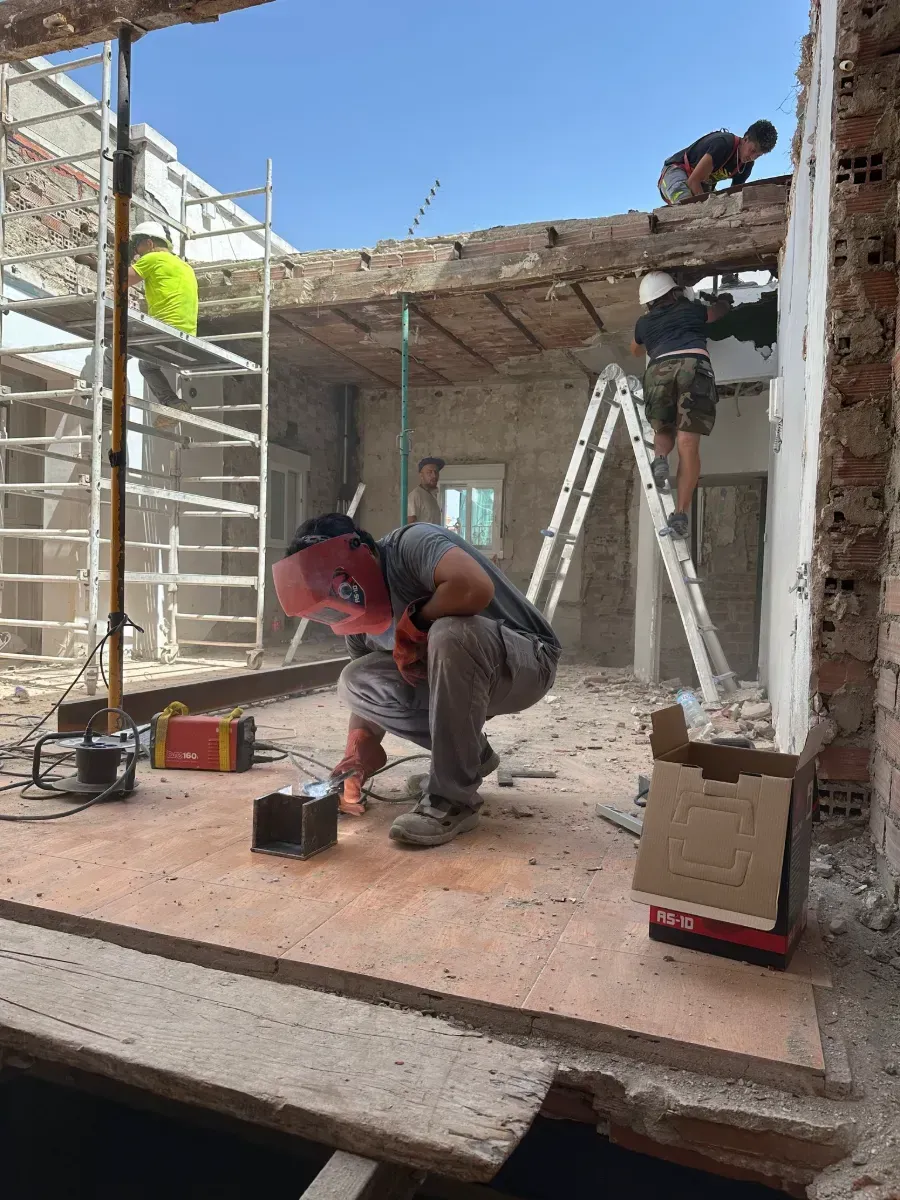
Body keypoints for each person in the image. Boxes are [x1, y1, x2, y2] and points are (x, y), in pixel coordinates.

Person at [272, 512, 561, 845]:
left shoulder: (411, 545)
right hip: (461, 678)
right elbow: (370, 702)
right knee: (355, 679)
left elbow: (473, 588)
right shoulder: (357, 621)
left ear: (361, 556)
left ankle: (452, 801)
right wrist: (356, 756)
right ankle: (471, 756)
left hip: (527, 661)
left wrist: (417, 621)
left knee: (451, 632)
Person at [631, 271, 733, 538]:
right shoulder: (691, 309)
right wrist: (724, 301)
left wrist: (653, 338)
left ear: (648, 302)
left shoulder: (643, 323)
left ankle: (660, 458)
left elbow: (635, 349)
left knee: (663, 430)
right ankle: (679, 514)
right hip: (693, 364)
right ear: (673, 292)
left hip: (658, 369)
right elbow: (716, 314)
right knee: (688, 444)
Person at [82, 219, 197, 421]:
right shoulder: (185, 266)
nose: (137, 252)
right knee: (147, 366)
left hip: (164, 329)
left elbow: (121, 280)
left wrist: (118, 260)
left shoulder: (153, 258)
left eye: (139, 246)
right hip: (186, 336)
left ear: (150, 243)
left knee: (111, 355)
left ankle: (108, 409)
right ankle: (173, 403)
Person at [658, 121, 778, 206]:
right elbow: (693, 181)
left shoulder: (746, 166)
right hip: (676, 171)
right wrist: (707, 208)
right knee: (687, 206)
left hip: (701, 183)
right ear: (746, 139)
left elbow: (734, 195)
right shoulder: (723, 144)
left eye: (758, 155)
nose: (752, 157)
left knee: (718, 208)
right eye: (752, 150)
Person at [407, 456, 444, 525]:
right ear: (421, 475)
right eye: (429, 472)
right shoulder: (416, 495)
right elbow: (409, 525)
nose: (434, 476)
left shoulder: (432, 496)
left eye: (436, 472)